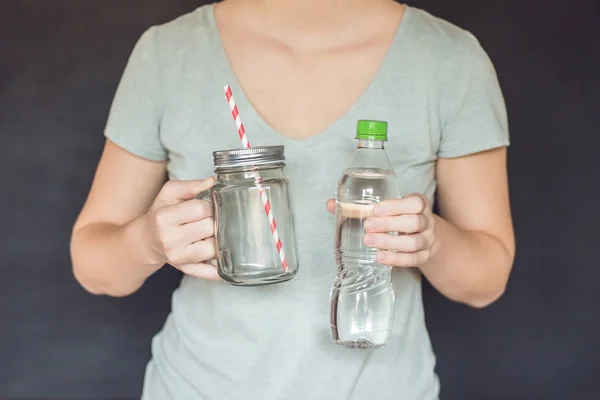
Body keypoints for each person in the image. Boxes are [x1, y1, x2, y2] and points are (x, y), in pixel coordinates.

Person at [70, 0, 515, 398]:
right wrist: (147, 240)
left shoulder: (450, 58)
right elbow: (95, 268)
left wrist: (431, 242)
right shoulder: (168, 53)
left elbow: (486, 282)